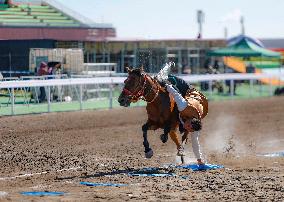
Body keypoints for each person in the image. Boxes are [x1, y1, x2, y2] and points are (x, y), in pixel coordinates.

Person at [164, 80, 208, 165]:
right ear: (191, 121)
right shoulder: (183, 106)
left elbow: (195, 142)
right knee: (170, 78)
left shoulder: (195, 126)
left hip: (199, 100)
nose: (186, 128)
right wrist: (165, 84)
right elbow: (175, 93)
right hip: (188, 90)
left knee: (194, 137)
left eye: (188, 129)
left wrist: (199, 159)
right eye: (188, 126)